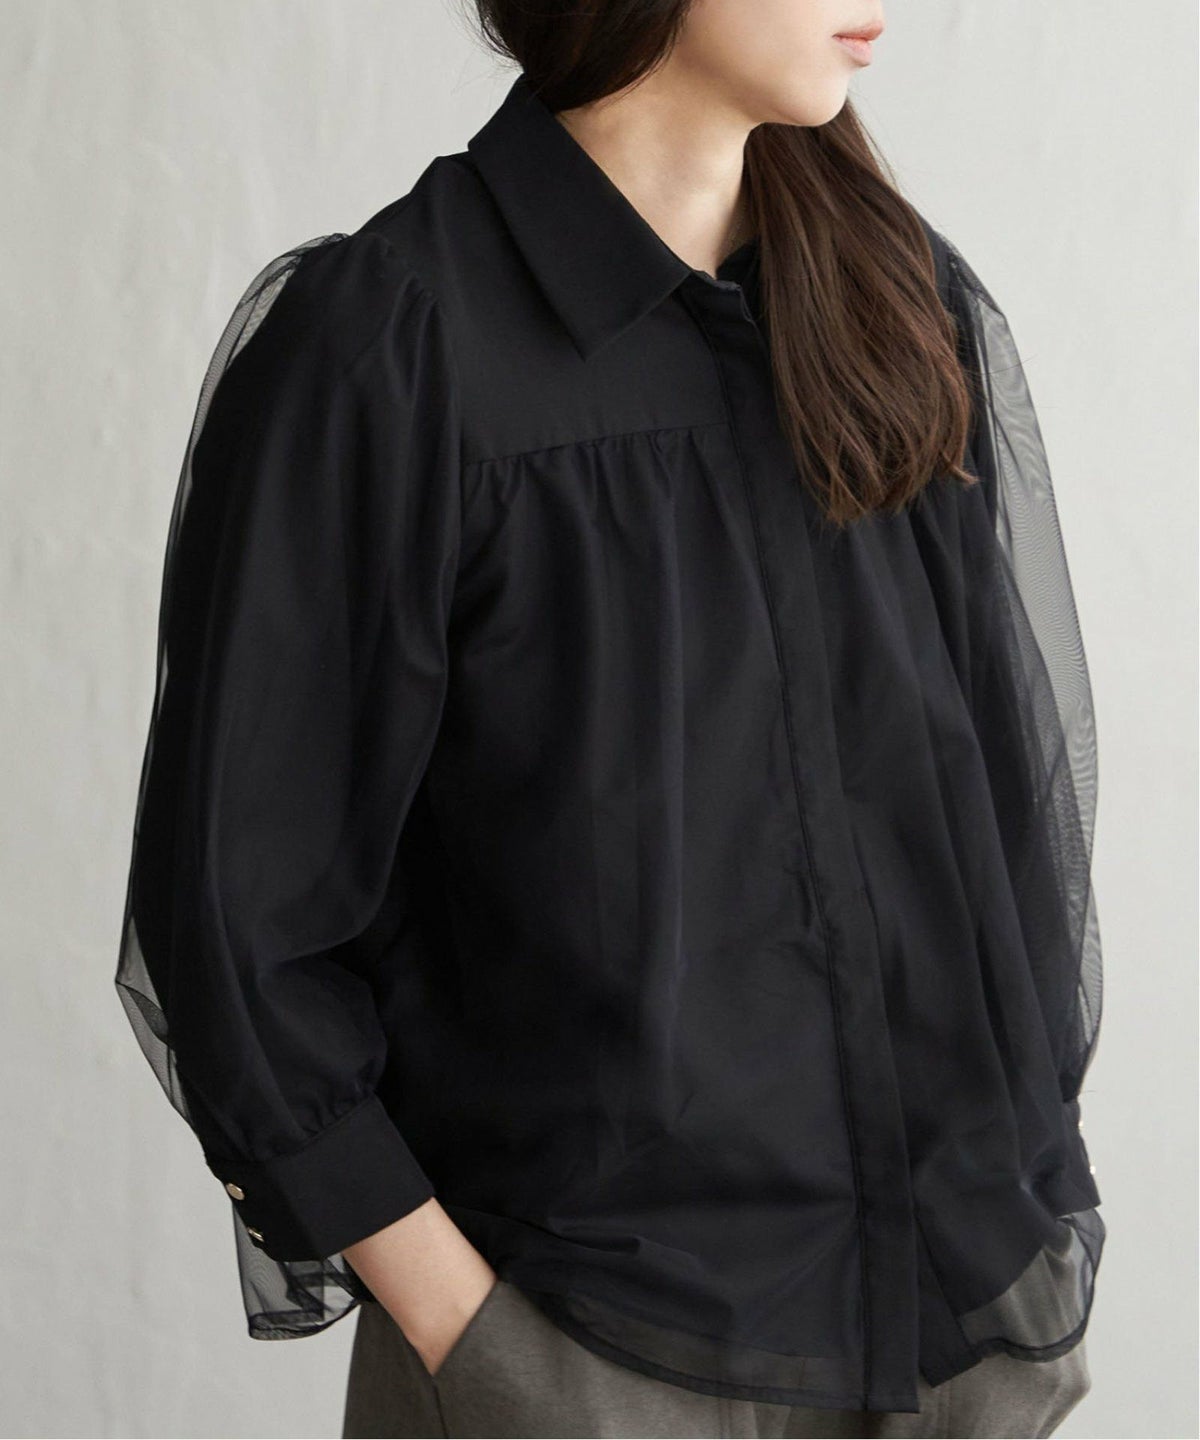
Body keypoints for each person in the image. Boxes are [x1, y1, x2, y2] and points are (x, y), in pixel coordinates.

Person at [114, 2, 1106, 1436]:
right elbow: (237, 923)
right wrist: (484, 1347)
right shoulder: (397, 345)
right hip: (589, 1358)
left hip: (949, 1337)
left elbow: (1006, 824)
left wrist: (1038, 1201)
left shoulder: (898, 299)